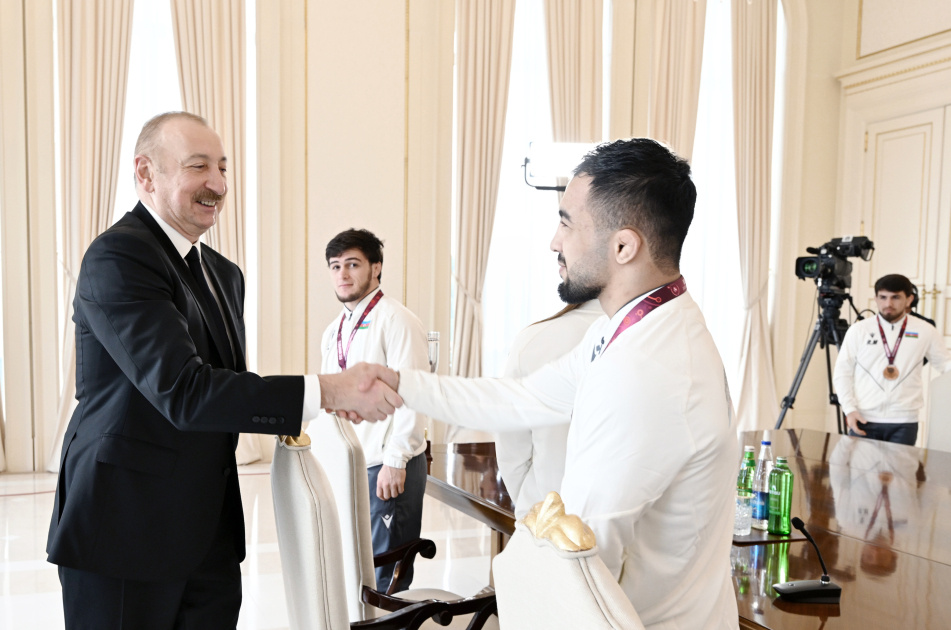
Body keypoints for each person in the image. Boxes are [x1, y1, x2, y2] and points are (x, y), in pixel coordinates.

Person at [345, 139, 740, 629]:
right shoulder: (639, 327)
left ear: (623, 246)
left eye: (567, 223)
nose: (555, 242)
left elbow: (578, 565)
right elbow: (522, 397)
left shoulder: (647, 373)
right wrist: (400, 384)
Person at [46, 112, 400, 630]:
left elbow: (228, 392)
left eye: (223, 167)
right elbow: (185, 392)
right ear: (146, 174)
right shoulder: (118, 256)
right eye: (198, 166)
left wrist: (331, 402)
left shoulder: (223, 273)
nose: (218, 183)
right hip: (124, 531)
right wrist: (326, 391)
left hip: (208, 536)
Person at [316, 228, 430, 592]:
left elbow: (414, 395)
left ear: (376, 268)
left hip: (387, 464)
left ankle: (390, 619)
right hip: (351, 462)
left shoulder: (398, 320)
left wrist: (396, 461)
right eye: (335, 266)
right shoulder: (334, 330)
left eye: (353, 264)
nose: (343, 274)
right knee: (355, 564)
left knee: (387, 569)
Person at [496, 300, 602, 518]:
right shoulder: (658, 334)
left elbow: (512, 449)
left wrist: (531, 502)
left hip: (547, 514)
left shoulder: (535, 339)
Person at [833, 274, 951, 446]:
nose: (888, 304)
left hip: (904, 422)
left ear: (909, 299)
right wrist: (849, 409)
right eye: (883, 297)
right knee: (861, 465)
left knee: (901, 466)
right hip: (864, 418)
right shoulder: (858, 330)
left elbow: (945, 364)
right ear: (876, 298)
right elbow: (842, 372)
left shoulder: (925, 330)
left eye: (895, 297)